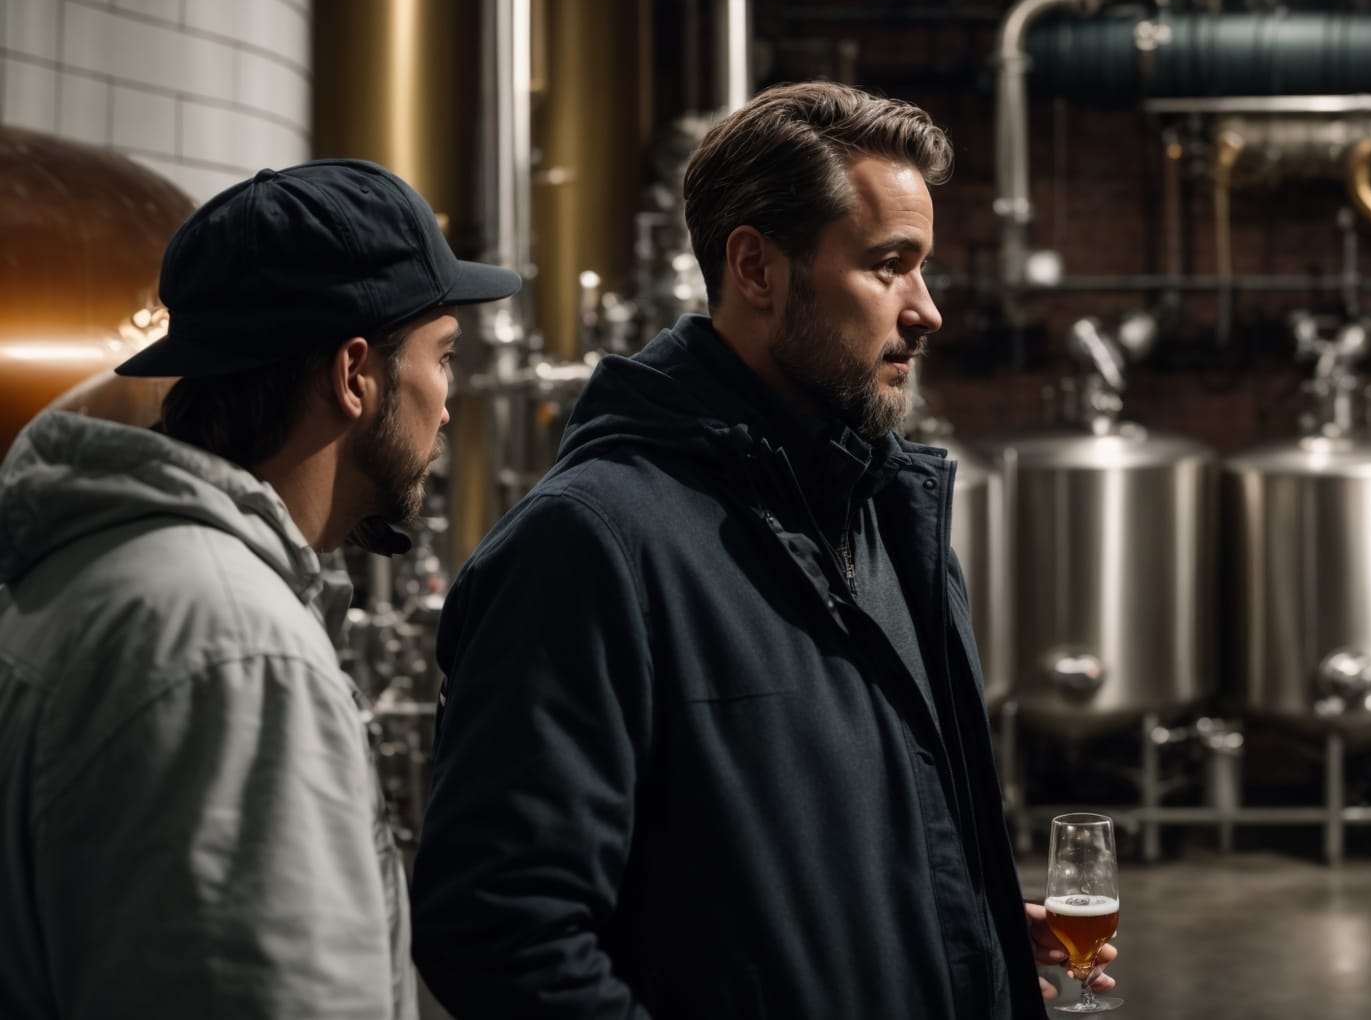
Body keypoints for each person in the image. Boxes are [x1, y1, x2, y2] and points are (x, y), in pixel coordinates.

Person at [411, 82, 1115, 1019]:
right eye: (889, 266)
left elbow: (807, 863)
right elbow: (499, 931)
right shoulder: (594, 543)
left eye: (924, 267)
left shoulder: (885, 518)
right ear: (756, 269)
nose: (927, 310)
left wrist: (956, 942)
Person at [0, 160, 520, 1019]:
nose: (450, 405)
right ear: (356, 374)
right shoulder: (235, 649)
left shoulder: (99, 575)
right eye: (444, 357)